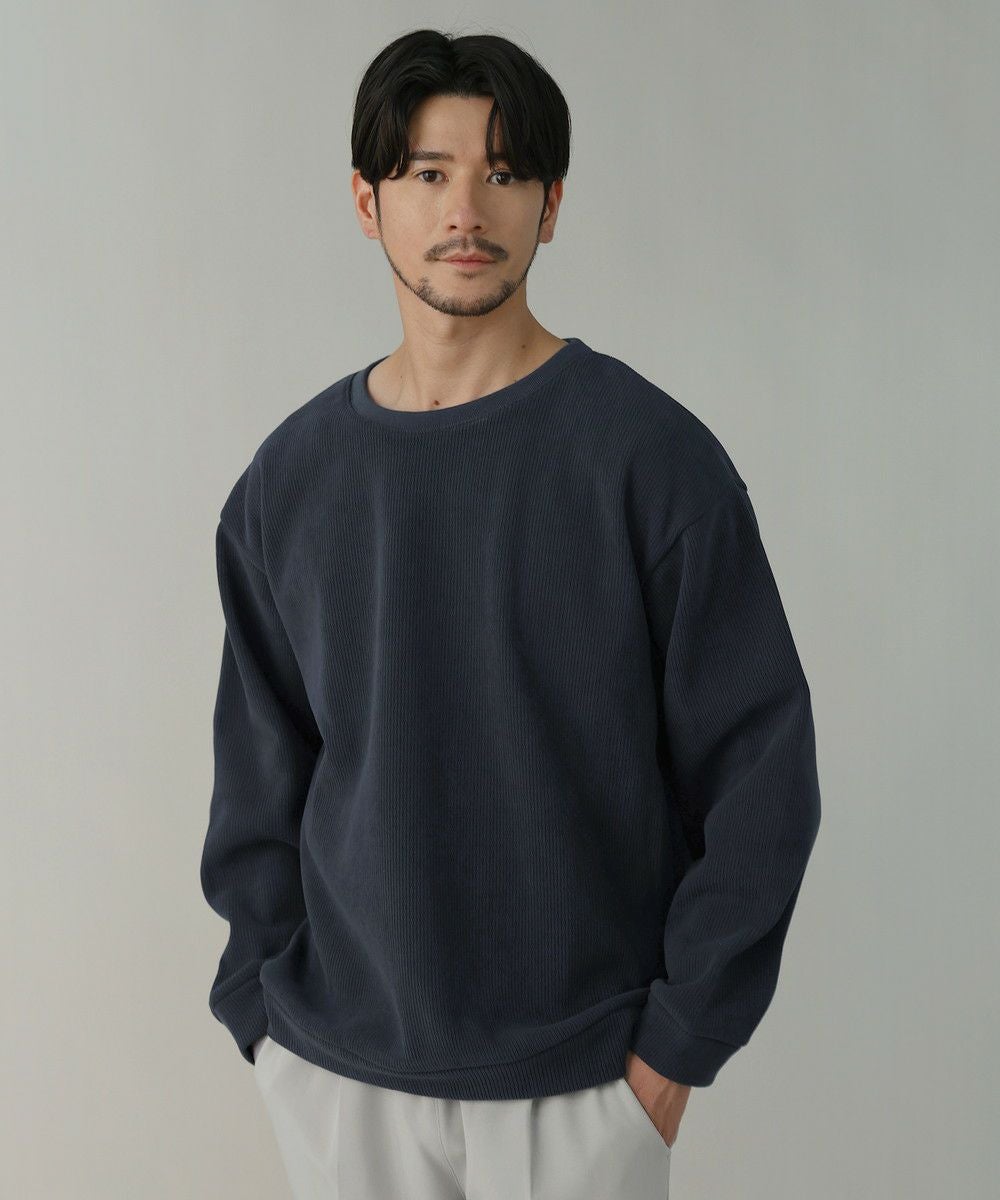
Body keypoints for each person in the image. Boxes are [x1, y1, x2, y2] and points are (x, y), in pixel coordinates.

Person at [200, 27, 821, 1200]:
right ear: (365, 200)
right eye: (428, 173)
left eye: (503, 172)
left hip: (579, 1085)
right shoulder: (289, 484)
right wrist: (263, 1018)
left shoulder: (650, 462)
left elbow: (760, 774)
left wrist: (671, 1054)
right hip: (339, 1076)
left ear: (551, 203)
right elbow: (259, 780)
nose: (465, 210)